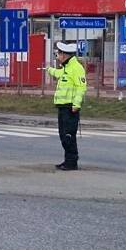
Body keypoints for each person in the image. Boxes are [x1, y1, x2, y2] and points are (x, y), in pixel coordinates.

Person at [44, 41, 87, 171]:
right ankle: (67, 160)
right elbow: (59, 74)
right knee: (63, 135)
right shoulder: (66, 67)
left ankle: (72, 162)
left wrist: (76, 104)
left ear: (64, 55)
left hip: (70, 108)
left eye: (58, 54)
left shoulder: (76, 68)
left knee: (69, 135)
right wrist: (49, 70)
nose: (57, 56)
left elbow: (81, 87)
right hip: (62, 107)